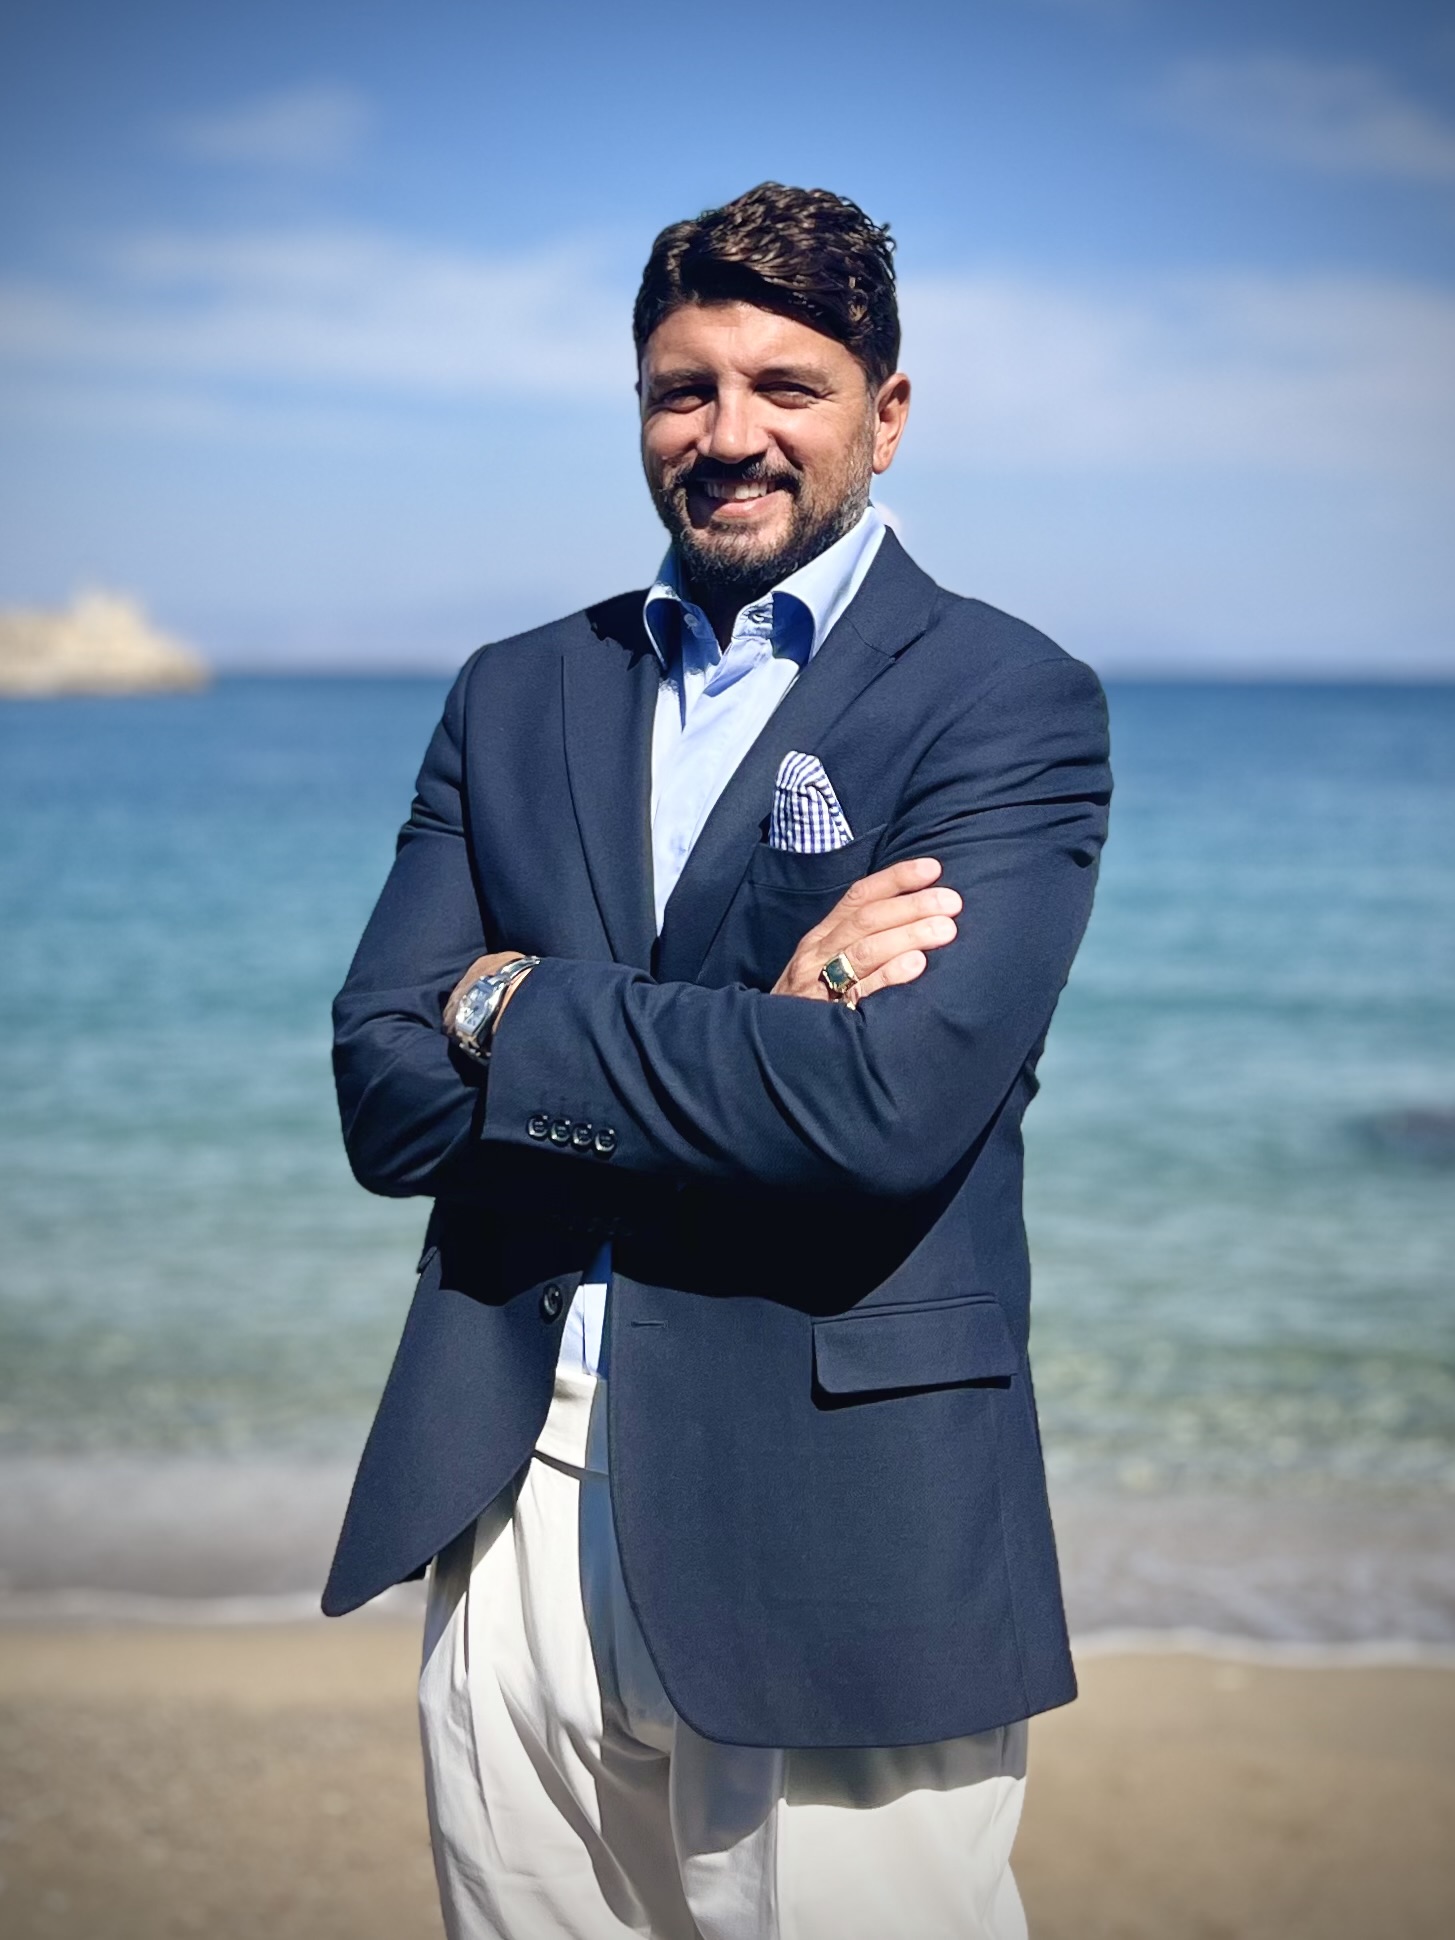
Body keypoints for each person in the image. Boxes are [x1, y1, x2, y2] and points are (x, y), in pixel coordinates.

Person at [324, 182, 1112, 1940]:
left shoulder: (1006, 699)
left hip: (843, 1516)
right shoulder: (516, 691)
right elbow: (383, 1087)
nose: (729, 434)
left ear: (885, 416)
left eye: (786, 389)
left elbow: (887, 1108)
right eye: (684, 390)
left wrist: (507, 1006)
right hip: (511, 1488)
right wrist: (766, 1020)